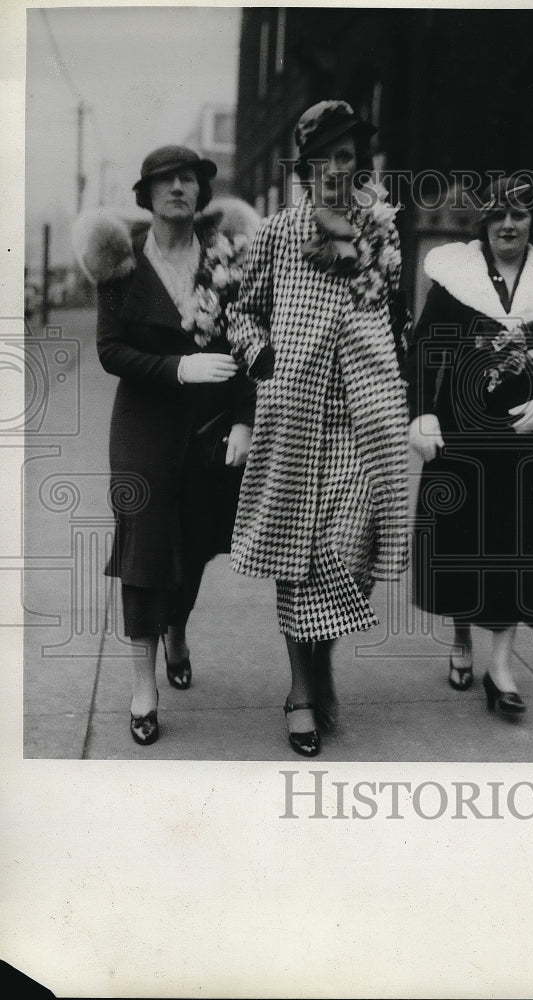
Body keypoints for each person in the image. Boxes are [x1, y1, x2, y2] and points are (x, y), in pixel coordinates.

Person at [227, 100, 409, 758]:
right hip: (295, 415)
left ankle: (319, 657)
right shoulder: (277, 232)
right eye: (327, 156)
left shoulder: (379, 231)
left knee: (350, 548)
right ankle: (302, 688)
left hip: (364, 419)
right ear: (305, 165)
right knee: (296, 553)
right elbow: (242, 314)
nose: (340, 167)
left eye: (348, 154)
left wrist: (402, 397)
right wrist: (262, 358)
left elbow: (388, 317)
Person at [405, 175, 533, 719]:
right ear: (483, 225)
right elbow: (422, 352)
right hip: (461, 433)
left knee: (516, 544)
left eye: (519, 215)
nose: (508, 225)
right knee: (461, 539)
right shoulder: (457, 278)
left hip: (521, 439)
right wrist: (422, 412)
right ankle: (462, 638)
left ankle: (502, 667)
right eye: (497, 217)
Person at [90, 145, 256, 746]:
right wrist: (177, 369)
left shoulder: (229, 257)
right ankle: (143, 685)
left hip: (210, 431)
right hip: (143, 428)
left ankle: (177, 631)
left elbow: (248, 348)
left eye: (189, 178)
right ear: (147, 193)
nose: (178, 188)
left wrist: (245, 420)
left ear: (202, 192)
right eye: (165, 180)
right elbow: (110, 350)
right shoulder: (121, 263)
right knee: (144, 551)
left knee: (194, 544)